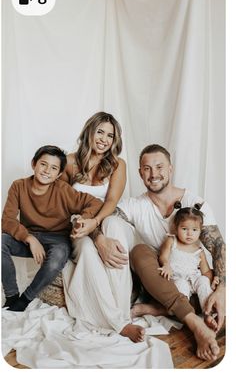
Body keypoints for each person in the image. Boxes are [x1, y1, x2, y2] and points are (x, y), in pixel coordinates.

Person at [107, 143, 225, 361]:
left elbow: (218, 246)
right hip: (161, 276)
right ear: (140, 173)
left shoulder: (195, 204)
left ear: (170, 169)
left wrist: (222, 289)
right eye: (147, 168)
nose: (154, 174)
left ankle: (160, 309)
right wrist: (100, 238)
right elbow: (106, 217)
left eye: (159, 167)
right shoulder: (135, 204)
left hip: (190, 276)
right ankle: (195, 324)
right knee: (139, 251)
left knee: (205, 292)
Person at [61, 112, 145, 342]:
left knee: (115, 229)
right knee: (87, 250)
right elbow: (62, 204)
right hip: (77, 223)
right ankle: (116, 321)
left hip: (105, 220)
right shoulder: (68, 162)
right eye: (100, 132)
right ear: (89, 131)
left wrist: (96, 226)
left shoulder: (118, 165)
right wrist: (93, 236)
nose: (104, 139)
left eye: (110, 135)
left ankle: (121, 312)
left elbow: (111, 202)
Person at [1, 145, 102, 312]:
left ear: (59, 174)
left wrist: (83, 218)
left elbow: (95, 203)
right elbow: (7, 220)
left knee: (58, 256)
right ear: (34, 164)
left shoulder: (63, 190)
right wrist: (29, 238)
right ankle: (12, 296)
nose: (47, 170)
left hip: (57, 238)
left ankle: (25, 298)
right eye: (43, 164)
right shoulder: (19, 186)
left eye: (54, 168)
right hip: (29, 237)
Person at [157, 203, 219, 331]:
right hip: (178, 277)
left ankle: (207, 313)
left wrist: (212, 280)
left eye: (194, 230)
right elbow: (163, 256)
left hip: (194, 278)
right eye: (184, 229)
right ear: (176, 227)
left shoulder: (198, 250)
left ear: (200, 231)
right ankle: (183, 313)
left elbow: (206, 271)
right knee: (181, 285)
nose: (189, 234)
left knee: (203, 281)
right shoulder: (171, 241)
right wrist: (166, 265)